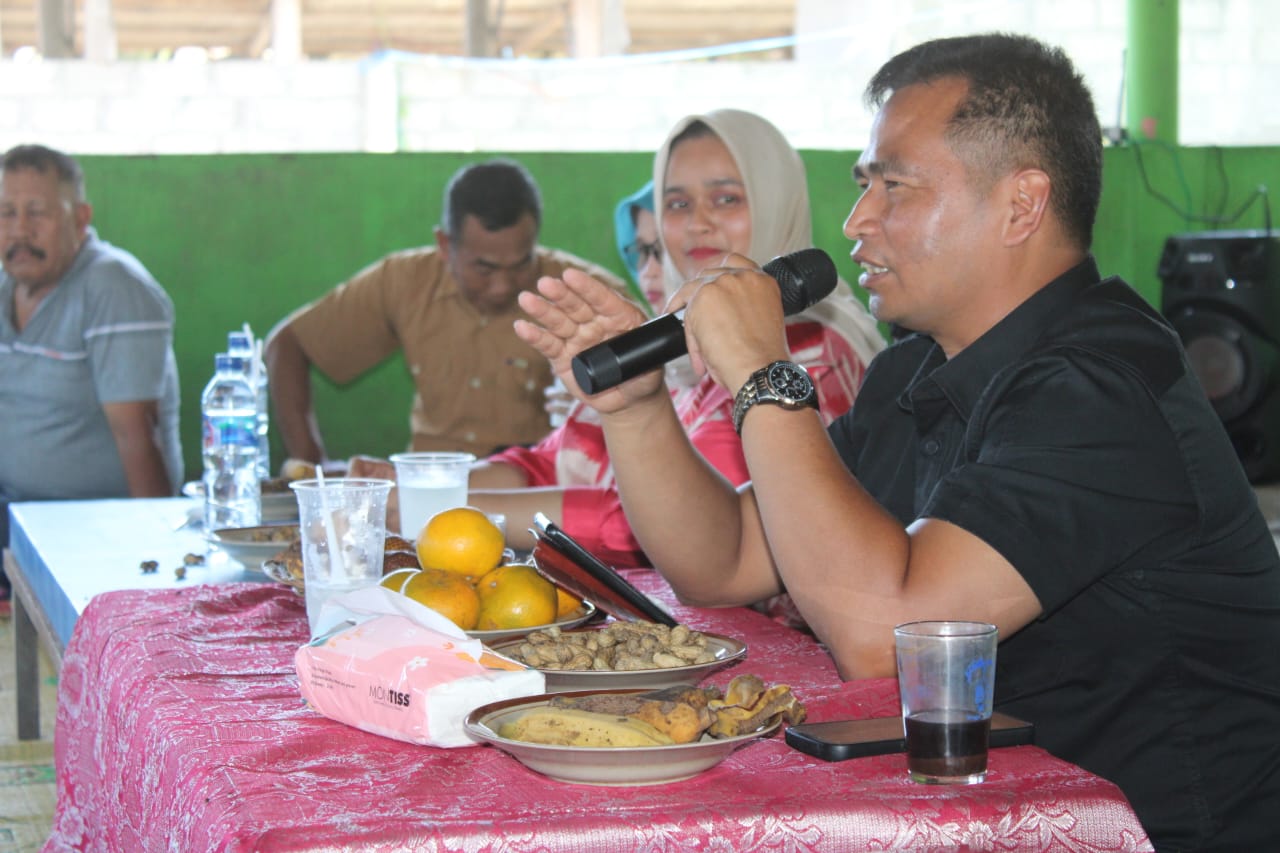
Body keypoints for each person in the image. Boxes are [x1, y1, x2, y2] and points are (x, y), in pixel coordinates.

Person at [513, 35, 1280, 851]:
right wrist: (635, 411)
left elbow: (886, 639)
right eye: (862, 185)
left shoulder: (1102, 386)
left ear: (1022, 204)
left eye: (895, 187)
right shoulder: (916, 371)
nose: (857, 222)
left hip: (1147, 831)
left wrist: (764, 373)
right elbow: (725, 560)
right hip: (977, 812)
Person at [356, 110, 885, 570]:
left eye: (726, 198)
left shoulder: (807, 352)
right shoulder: (673, 337)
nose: (697, 224)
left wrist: (437, 509)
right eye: (677, 204)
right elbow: (554, 459)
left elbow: (673, 528)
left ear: (776, 200)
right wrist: (423, 487)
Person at [263, 158, 630, 466]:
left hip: (536, 487)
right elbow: (287, 344)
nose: (502, 286)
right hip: (428, 487)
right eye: (483, 268)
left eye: (521, 264)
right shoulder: (403, 282)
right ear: (444, 245)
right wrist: (309, 463)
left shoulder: (585, 294)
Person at [0, 144, 182, 609]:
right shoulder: (6, 287)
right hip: (14, 515)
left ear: (80, 219)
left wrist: (156, 584)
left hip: (90, 532)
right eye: (6, 213)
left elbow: (138, 436)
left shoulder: (113, 288)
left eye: (37, 213)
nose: (19, 230)